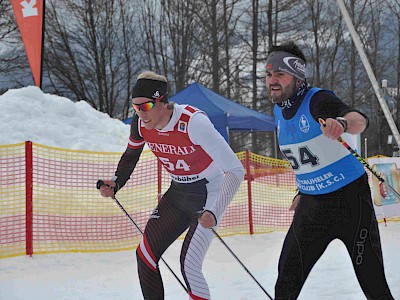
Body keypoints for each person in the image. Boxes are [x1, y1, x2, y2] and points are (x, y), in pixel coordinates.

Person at [99, 71, 244, 300]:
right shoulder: (140, 124)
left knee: (189, 265)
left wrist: (214, 211)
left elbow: (235, 170)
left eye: (145, 106)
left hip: (207, 191)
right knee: (145, 256)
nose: (139, 113)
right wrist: (116, 182)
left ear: (162, 102)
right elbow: (131, 155)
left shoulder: (193, 122)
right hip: (178, 193)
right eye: (134, 107)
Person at [265, 41, 394, 300]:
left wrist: (341, 122)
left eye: (280, 74)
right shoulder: (279, 112)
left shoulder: (318, 101)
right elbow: (306, 158)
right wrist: (301, 190)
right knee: (285, 284)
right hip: (312, 207)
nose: (272, 81)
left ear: (297, 76)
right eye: (268, 74)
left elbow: (360, 120)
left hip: (350, 204)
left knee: (374, 287)